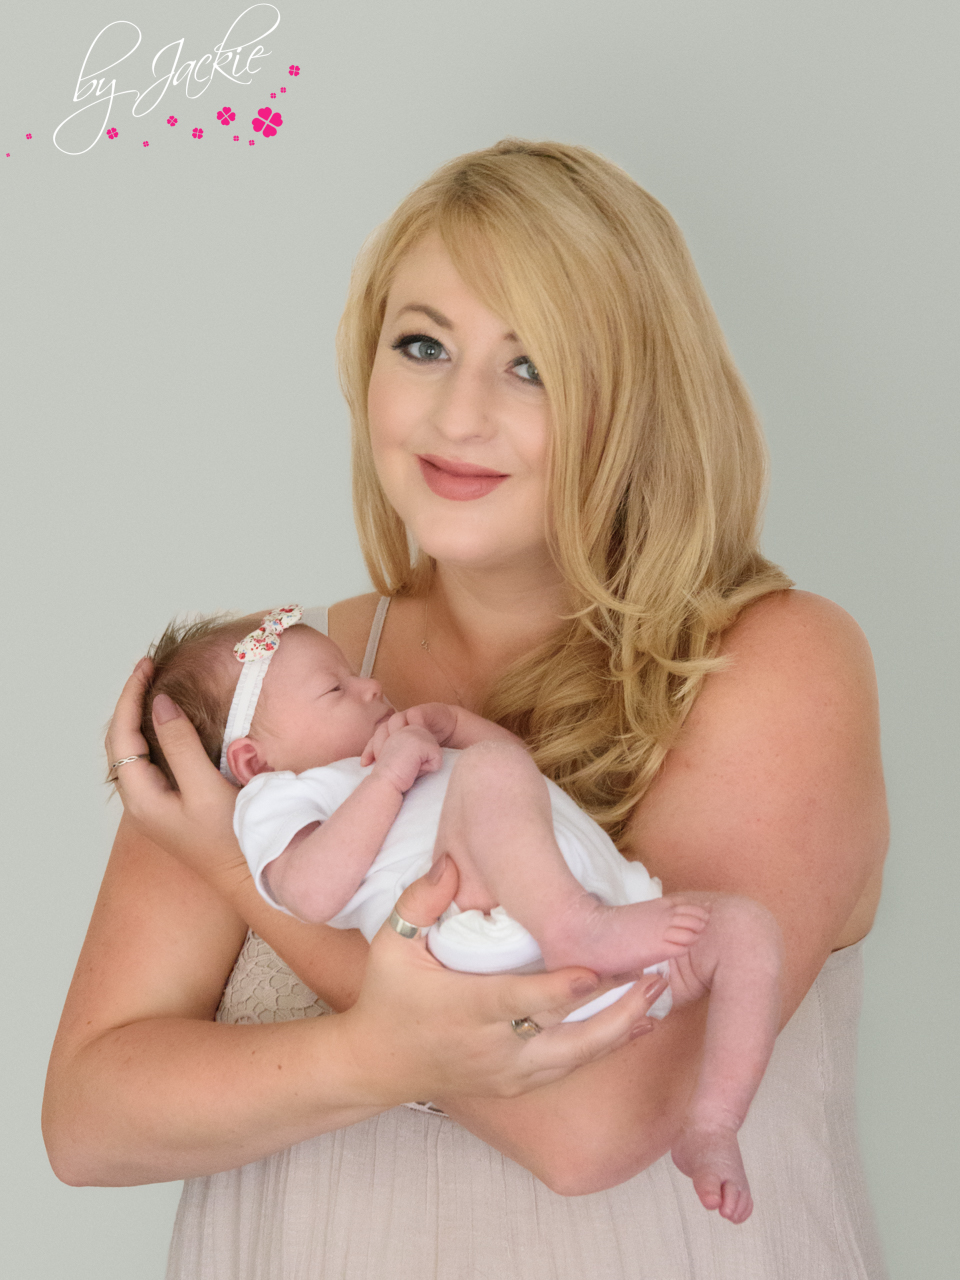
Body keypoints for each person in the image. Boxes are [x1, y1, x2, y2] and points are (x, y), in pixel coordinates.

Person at [43, 139, 888, 1278]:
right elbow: (88, 1120)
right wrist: (372, 1054)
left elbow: (598, 1126)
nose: (457, 411)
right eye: (422, 343)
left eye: (531, 364)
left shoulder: (771, 660)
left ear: (634, 396)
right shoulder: (286, 682)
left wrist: (239, 876)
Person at [139, 604, 785, 1222]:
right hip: (475, 923)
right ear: (255, 758)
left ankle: (714, 1121)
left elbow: (523, 783)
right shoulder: (280, 799)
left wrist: (453, 727)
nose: (370, 688)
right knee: (490, 772)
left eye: (356, 674)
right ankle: (576, 926)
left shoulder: (407, 750)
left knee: (746, 931)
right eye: (335, 691)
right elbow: (311, 893)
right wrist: (388, 780)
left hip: (593, 909)